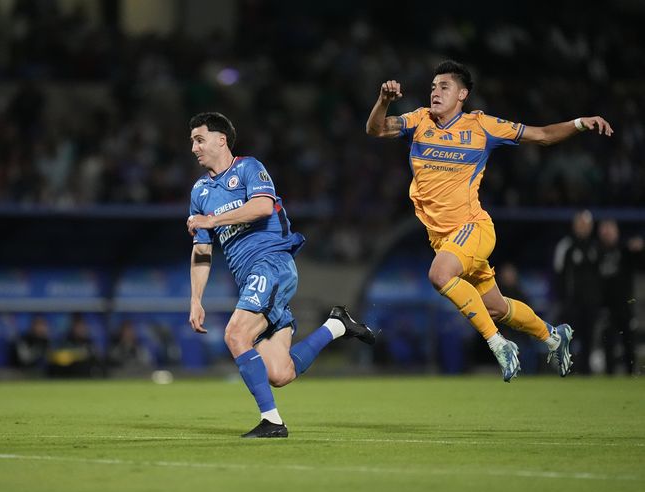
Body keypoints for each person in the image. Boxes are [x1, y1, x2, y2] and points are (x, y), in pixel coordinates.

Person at [365, 60, 614, 381]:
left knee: (440, 274)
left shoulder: (482, 126)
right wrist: (384, 101)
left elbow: (542, 135)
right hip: (445, 240)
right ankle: (553, 335)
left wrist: (580, 122)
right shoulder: (418, 121)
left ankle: (499, 344)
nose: (435, 92)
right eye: (432, 86)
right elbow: (375, 129)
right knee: (495, 307)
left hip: (474, 228)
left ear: (462, 94)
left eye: (444, 86)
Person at [187, 112, 375, 438]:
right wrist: (196, 299)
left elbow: (261, 207)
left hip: (272, 264)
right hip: (250, 279)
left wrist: (212, 220)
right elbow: (202, 251)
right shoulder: (200, 191)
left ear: (221, 139)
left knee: (235, 334)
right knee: (280, 373)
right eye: (192, 141)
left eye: (199, 139)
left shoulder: (248, 168)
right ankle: (336, 326)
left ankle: (272, 422)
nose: (194, 147)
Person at [553, 210, 603, 374]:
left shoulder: (596, 248)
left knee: (588, 339)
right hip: (571, 304)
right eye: (580, 224)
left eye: (586, 225)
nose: (583, 228)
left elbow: (602, 276)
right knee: (569, 339)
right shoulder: (566, 246)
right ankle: (567, 370)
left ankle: (586, 372)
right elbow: (558, 274)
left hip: (591, 303)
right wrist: (563, 300)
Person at [596, 219, 643, 375]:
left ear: (617, 232)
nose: (608, 234)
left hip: (625, 305)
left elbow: (641, 266)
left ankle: (630, 373)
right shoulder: (596, 252)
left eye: (610, 230)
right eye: (605, 230)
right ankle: (609, 375)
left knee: (628, 342)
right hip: (606, 307)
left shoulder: (625, 251)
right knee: (608, 342)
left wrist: (640, 250)